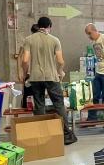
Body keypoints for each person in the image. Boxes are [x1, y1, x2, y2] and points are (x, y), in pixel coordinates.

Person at [21, 17, 78, 145]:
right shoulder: (55, 40)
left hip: (35, 77)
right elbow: (60, 61)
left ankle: (42, 134)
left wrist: (25, 74)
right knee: (58, 104)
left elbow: (25, 60)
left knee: (39, 104)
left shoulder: (28, 40)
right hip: (52, 77)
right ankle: (67, 135)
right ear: (49, 26)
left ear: (38, 26)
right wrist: (60, 71)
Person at [18, 24, 39, 108]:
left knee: (37, 97)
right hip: (29, 74)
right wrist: (20, 72)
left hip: (37, 74)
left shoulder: (42, 42)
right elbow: (20, 57)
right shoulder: (26, 41)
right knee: (28, 97)